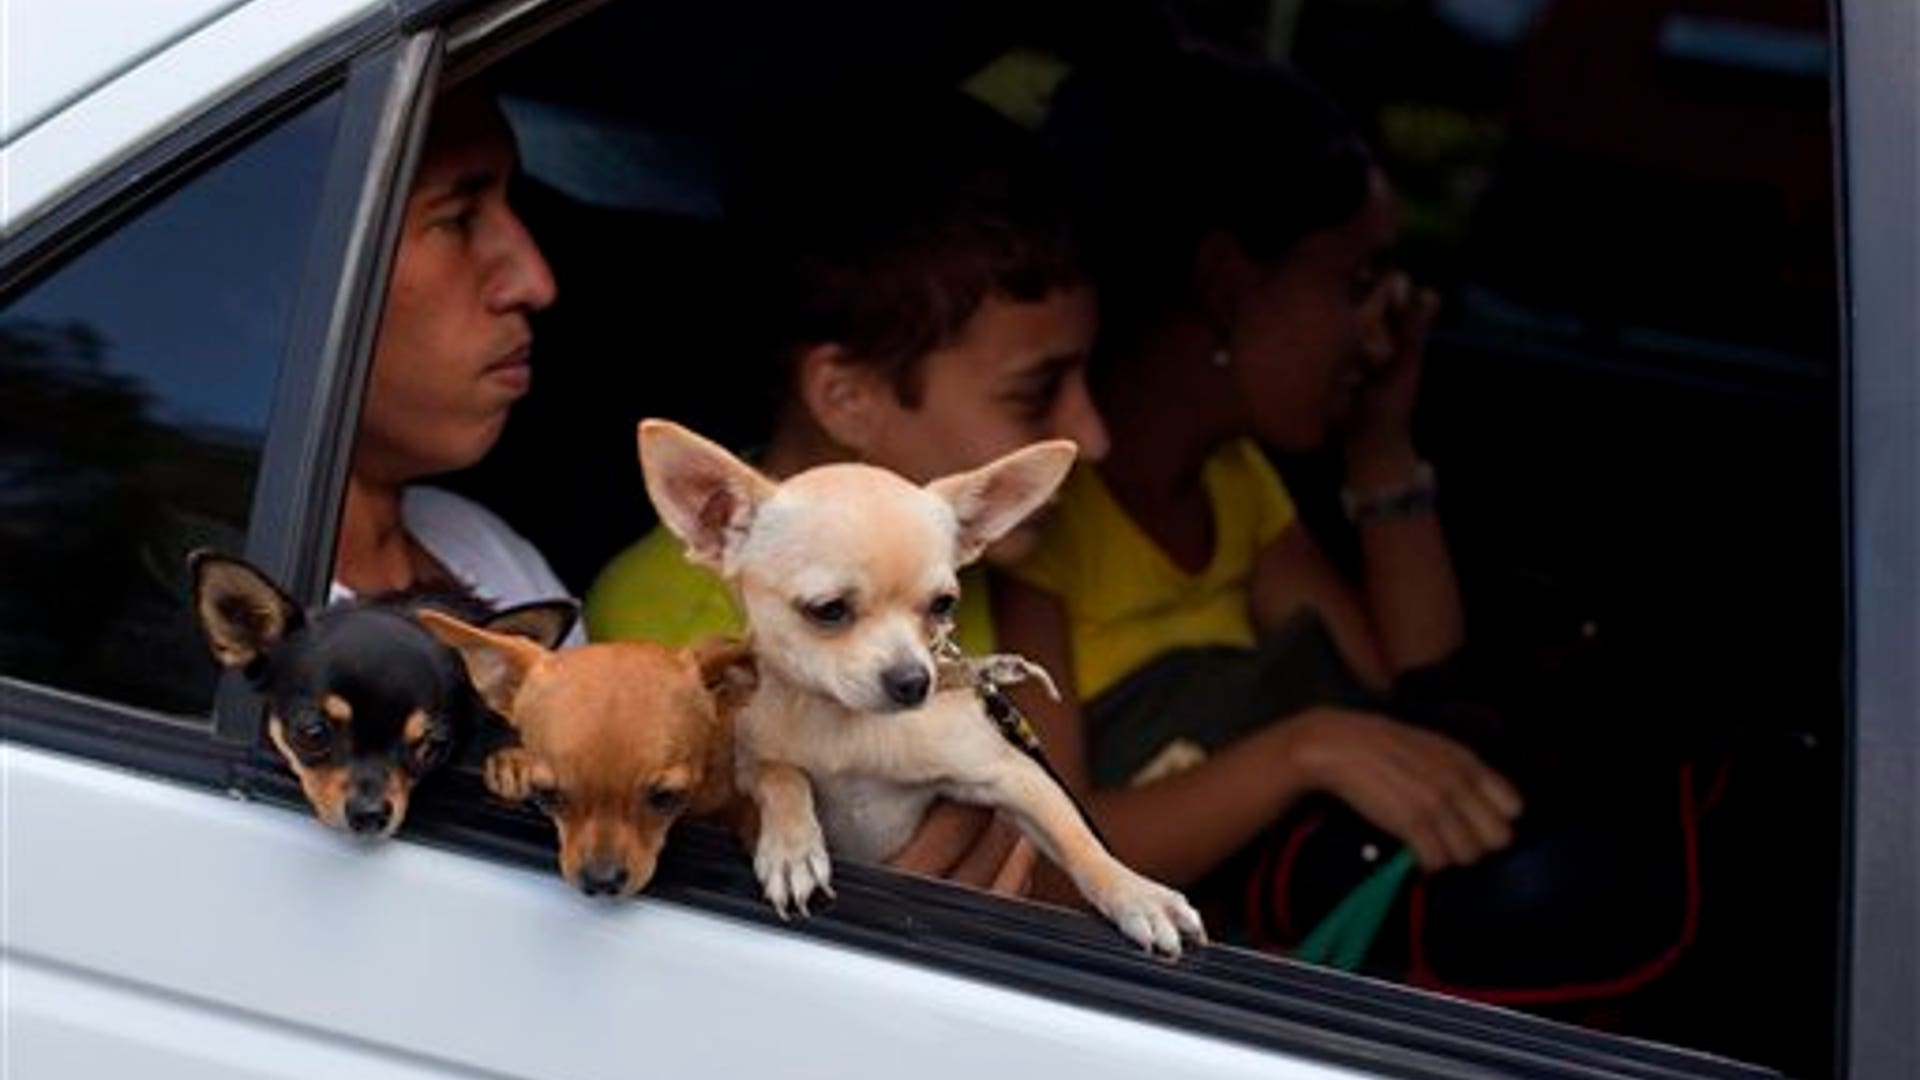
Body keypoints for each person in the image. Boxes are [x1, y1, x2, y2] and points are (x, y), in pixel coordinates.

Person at [980, 53, 1523, 909]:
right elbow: (1043, 863)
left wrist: (1381, 445)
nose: (1377, 333)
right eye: (1354, 286)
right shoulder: (1034, 520)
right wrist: (1302, 752)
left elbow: (1409, 710)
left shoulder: (1235, 482)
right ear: (1227, 282)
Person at [586, 91, 1109, 893]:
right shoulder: (667, 628)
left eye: (933, 608)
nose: (1094, 437)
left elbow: (1058, 849)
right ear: (847, 397)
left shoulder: (997, 571)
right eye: (1036, 394)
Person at [330, 80, 578, 636]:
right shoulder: (234, 631)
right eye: (458, 218)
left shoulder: (480, 546)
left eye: (513, 202)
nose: (536, 283)